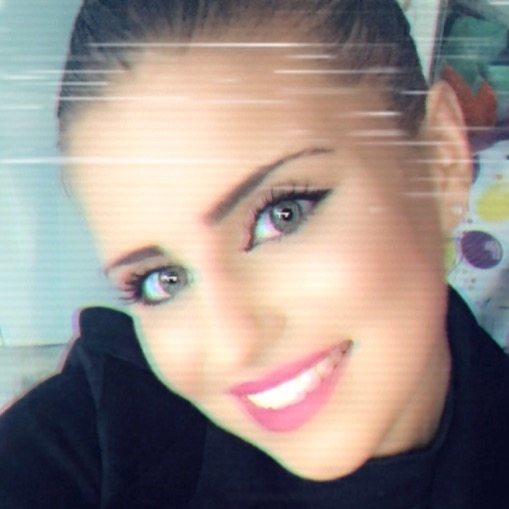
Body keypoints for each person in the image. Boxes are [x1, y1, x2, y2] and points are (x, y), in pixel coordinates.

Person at [1, 0, 509, 507]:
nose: (233, 344)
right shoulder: (90, 447)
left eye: (281, 215)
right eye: (164, 280)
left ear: (439, 162)